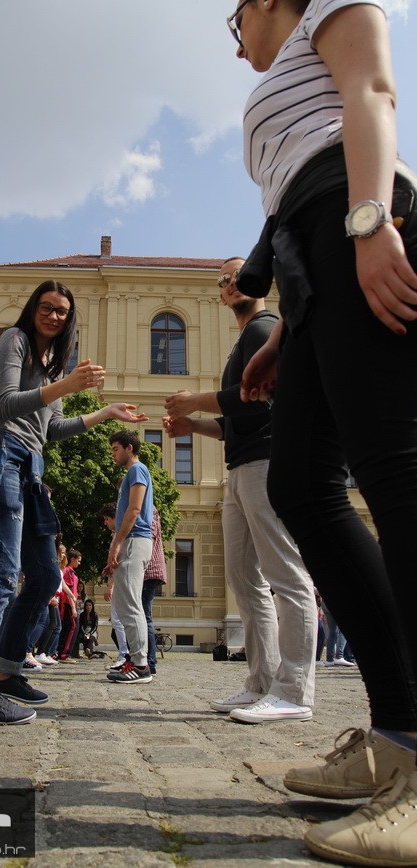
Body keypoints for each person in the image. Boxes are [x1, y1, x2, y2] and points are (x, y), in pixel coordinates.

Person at [230, 0, 417, 862]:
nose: (232, 38)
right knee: (304, 486)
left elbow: (372, 90)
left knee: (394, 467)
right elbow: (286, 197)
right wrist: (289, 332)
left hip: (358, 216)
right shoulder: (274, 79)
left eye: (234, 15)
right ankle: (398, 738)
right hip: (317, 254)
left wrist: (372, 220)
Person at [0, 280, 147, 724]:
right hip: (0, 454)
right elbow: (4, 403)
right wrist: (68, 386)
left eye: (61, 310)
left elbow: (52, 430)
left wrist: (105, 411)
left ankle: (6, 672)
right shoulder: (13, 341)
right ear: (33, 308)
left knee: (43, 576)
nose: (53, 315)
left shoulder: (52, 367)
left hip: (31, 468)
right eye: (46, 307)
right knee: (1, 575)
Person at [164, 258, 316, 723]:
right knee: (245, 581)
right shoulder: (245, 338)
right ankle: (260, 683)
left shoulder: (263, 328)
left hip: (266, 463)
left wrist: (193, 400)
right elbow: (237, 421)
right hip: (241, 467)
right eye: (223, 280)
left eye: (237, 276)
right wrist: (197, 424)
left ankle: (295, 691)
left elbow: (252, 403)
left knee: (284, 575)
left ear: (260, 281)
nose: (229, 284)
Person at [105, 430, 154, 685]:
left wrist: (117, 544)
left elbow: (134, 510)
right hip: (131, 543)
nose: (113, 454)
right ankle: (134, 659)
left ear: (129, 448)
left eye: (115, 449)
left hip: (135, 541)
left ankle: (141, 665)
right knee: (125, 604)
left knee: (131, 604)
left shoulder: (137, 470)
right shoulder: (130, 474)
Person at [100, 502, 130, 670]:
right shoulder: (118, 534)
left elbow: (117, 562)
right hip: (120, 581)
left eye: (106, 519)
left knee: (119, 622)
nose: (105, 523)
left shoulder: (120, 535)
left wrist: (110, 585)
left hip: (120, 583)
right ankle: (125, 655)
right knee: (119, 621)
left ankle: (124, 655)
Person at [143, 506, 167, 676]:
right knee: (143, 615)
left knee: (144, 616)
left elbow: (149, 536)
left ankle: (150, 661)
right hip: (149, 570)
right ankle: (147, 660)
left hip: (148, 570)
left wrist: (141, 562)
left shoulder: (147, 509)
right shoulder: (147, 508)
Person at [57, 549, 81, 661]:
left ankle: (63, 652)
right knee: (71, 627)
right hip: (68, 604)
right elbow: (69, 590)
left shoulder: (71, 571)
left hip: (70, 603)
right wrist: (73, 607)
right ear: (73, 559)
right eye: (78, 560)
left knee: (69, 627)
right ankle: (64, 653)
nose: (79, 563)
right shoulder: (68, 571)